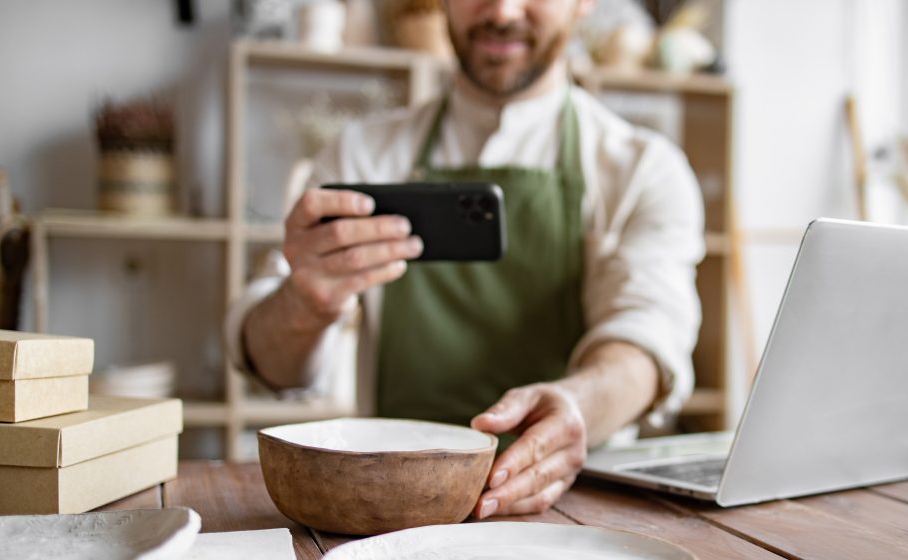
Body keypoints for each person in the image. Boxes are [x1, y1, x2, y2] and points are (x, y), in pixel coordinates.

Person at [226, 0, 705, 519]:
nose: (501, 11)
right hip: (396, 509)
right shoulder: (359, 156)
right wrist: (304, 303)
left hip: (580, 509)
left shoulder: (643, 169)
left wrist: (578, 407)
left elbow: (648, 335)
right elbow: (269, 366)